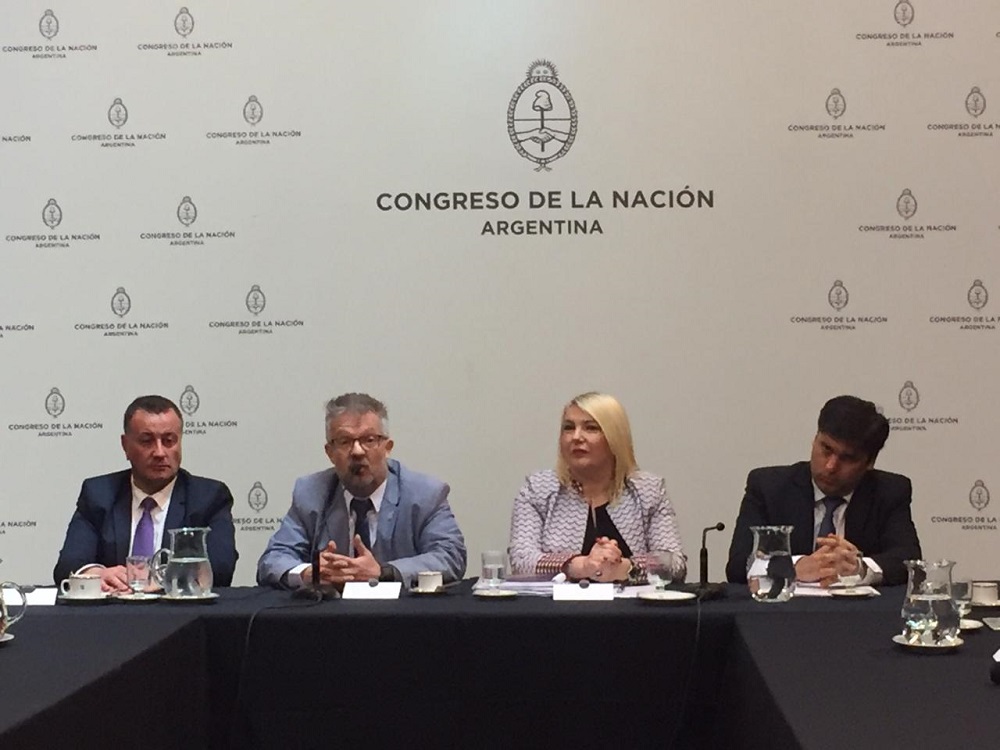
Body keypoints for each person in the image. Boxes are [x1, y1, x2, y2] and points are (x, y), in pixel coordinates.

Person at [257, 392, 467, 588]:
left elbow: (450, 556)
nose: (357, 451)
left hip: (402, 612)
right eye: (345, 441)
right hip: (330, 613)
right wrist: (309, 573)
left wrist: (384, 573)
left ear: (387, 447)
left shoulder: (425, 494)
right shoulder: (312, 492)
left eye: (369, 440)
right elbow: (273, 559)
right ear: (330, 453)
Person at [726, 395, 921, 587]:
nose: (830, 466)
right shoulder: (769, 487)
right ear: (815, 439)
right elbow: (738, 565)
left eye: (847, 458)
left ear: (869, 462)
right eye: (826, 449)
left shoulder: (889, 492)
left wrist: (860, 568)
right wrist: (792, 567)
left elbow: (909, 561)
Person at [53, 395, 238, 590]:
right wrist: (97, 574)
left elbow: (221, 570)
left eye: (169, 441)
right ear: (125, 445)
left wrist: (160, 580)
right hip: (114, 607)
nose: (159, 452)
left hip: (179, 609)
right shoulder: (99, 494)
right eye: (147, 441)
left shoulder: (208, 498)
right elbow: (68, 565)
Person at [508, 392, 686, 583]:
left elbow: (674, 563)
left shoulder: (648, 490)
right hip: (558, 603)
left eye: (591, 428)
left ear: (615, 437)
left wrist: (627, 568)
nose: (576, 437)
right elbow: (521, 560)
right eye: (568, 428)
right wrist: (581, 566)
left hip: (631, 603)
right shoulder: (538, 489)